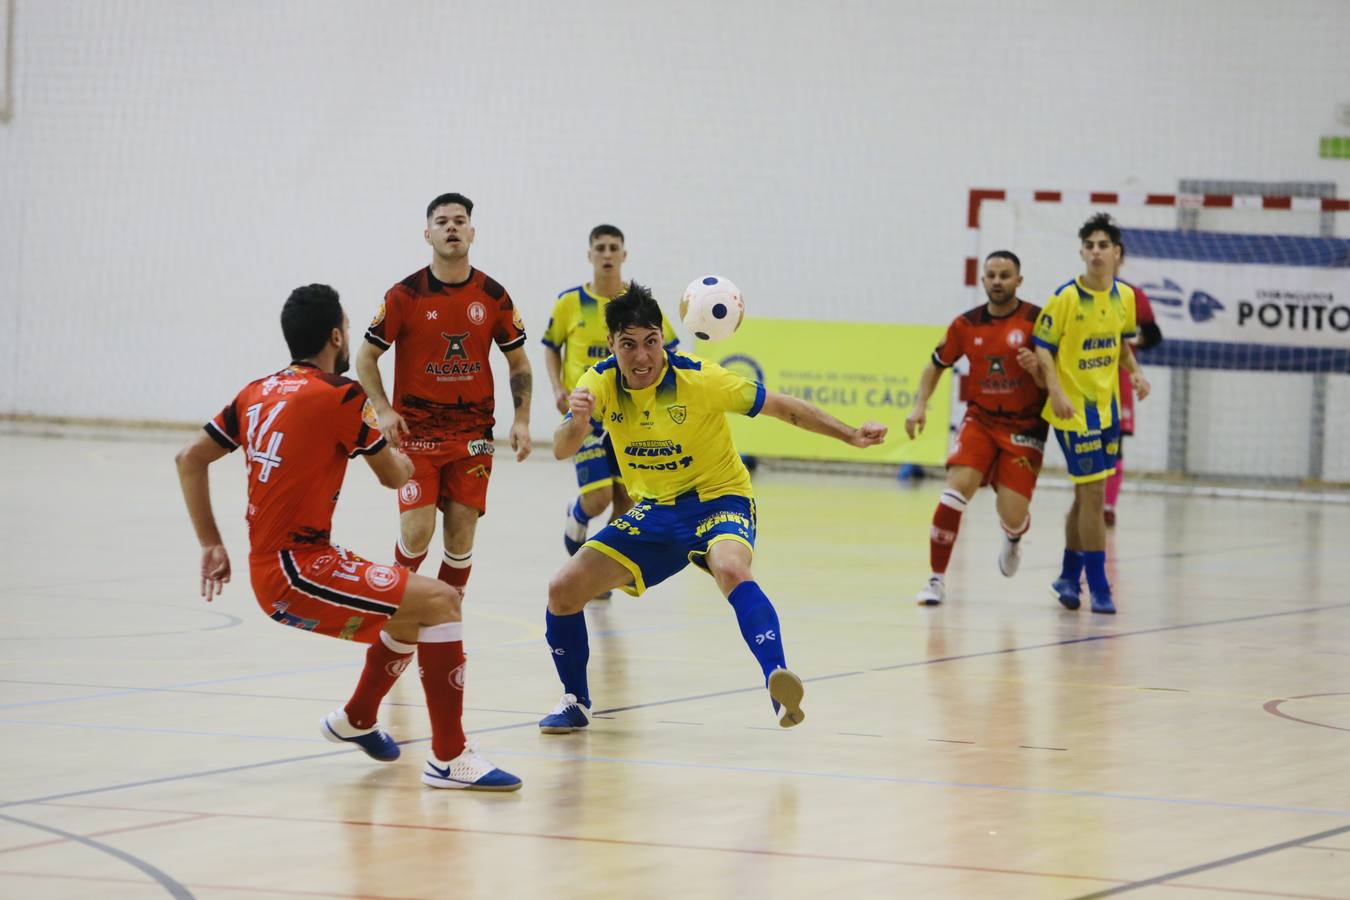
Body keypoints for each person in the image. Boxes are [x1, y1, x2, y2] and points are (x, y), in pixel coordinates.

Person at [175, 284, 520, 791]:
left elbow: (190, 458)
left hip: (290, 561)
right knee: (443, 601)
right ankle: (449, 758)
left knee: (414, 610)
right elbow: (393, 476)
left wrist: (210, 542)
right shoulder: (341, 394)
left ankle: (357, 718)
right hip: (297, 569)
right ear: (337, 336)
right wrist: (405, 457)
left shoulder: (256, 391)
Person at [535, 284, 888, 732]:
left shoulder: (699, 379)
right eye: (628, 345)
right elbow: (563, 449)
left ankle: (778, 685)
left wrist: (851, 434)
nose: (641, 357)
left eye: (650, 342)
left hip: (721, 498)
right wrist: (580, 421)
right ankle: (575, 702)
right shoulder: (598, 383)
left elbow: (782, 407)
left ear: (663, 339)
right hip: (658, 510)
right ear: (612, 345)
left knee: (732, 568)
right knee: (563, 590)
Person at [356, 192, 532, 601]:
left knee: (460, 534)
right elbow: (366, 358)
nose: (451, 227)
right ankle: (396, 606)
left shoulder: (493, 296)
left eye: (459, 220)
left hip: (472, 433)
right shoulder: (404, 295)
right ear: (427, 234)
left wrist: (522, 419)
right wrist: (381, 409)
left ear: (472, 231)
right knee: (417, 535)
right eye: (441, 222)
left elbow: (519, 364)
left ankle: (443, 620)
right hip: (417, 434)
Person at [904, 250, 1048, 606]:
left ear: (1019, 280)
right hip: (981, 420)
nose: (998, 281)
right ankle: (936, 580)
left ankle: (1013, 537)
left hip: (1025, 425)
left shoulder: (1037, 320)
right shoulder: (965, 325)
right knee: (954, 492)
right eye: (992, 275)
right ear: (983, 280)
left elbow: (1055, 381)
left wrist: (1036, 370)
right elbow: (936, 365)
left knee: (1012, 514)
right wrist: (919, 405)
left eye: (1005, 275)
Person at [541, 225, 679, 572]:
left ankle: (599, 565)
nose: (606, 254)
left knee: (627, 501)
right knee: (598, 498)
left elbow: (667, 349)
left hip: (629, 416)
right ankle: (578, 511)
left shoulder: (640, 305)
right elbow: (550, 345)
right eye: (599, 248)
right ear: (590, 256)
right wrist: (559, 388)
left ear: (624, 255)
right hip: (587, 414)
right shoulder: (570, 302)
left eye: (613, 247)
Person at [1032, 214, 1151, 615]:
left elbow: (1118, 345)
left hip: (1107, 410)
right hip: (1071, 410)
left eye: (1104, 245)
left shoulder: (1126, 298)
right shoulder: (1066, 298)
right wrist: (1056, 389)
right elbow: (1042, 347)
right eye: (1090, 245)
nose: (1096, 251)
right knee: (1094, 495)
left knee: (1086, 496)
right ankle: (1099, 586)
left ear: (1117, 253)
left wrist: (1135, 373)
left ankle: (1067, 576)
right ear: (1082, 252)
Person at [1105, 243, 1163, 526]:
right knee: (1087, 444)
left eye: (1110, 252)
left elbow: (1154, 334)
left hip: (1119, 380)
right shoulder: (1076, 295)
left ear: (1120, 259)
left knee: (1114, 444)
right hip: (1086, 380)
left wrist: (1133, 338)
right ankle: (1087, 501)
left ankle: (1107, 506)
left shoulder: (1132, 296)